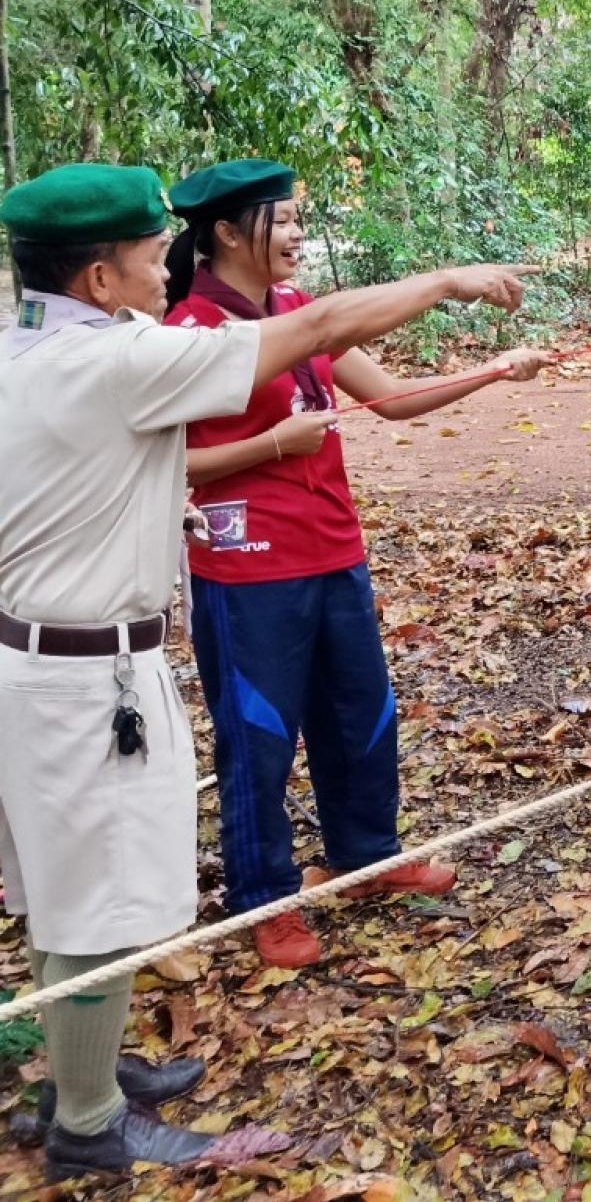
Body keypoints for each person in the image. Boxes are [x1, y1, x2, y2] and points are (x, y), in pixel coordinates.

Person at [0, 162, 530, 1179]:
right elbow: (320, 326)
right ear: (100, 279)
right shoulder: (119, 356)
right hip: (83, 680)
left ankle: (84, 1072)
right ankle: (87, 1123)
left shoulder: (28, 346)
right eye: (149, 255)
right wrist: (448, 280)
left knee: (69, 890)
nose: (165, 269)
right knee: (96, 902)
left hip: (49, 660)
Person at [160, 159, 554, 970]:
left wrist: (493, 371)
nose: (297, 234)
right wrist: (272, 445)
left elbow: (395, 400)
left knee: (359, 711)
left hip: (332, 545)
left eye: (298, 218)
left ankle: (366, 856)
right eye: (280, 220)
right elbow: (164, 467)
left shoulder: (299, 311)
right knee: (259, 733)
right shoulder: (188, 332)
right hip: (246, 565)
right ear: (226, 232)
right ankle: (264, 898)